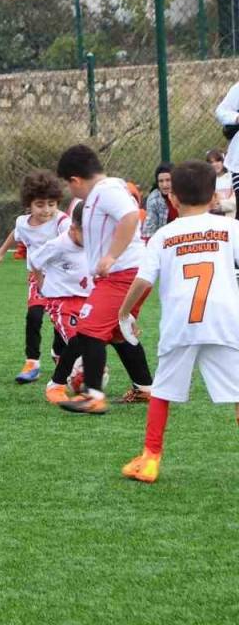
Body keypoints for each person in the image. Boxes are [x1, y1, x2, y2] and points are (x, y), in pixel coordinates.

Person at [118, 160, 239, 483]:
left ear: (172, 198)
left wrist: (125, 312)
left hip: (180, 324)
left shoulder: (163, 235)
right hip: (224, 321)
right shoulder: (231, 228)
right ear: (214, 197)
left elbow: (143, 281)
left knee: (161, 392)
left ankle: (150, 459)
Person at [45, 145, 155, 413]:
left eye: (68, 185)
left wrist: (111, 256)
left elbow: (130, 217)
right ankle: (145, 389)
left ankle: (93, 395)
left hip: (123, 275)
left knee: (89, 329)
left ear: (75, 180)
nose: (70, 190)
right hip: (124, 275)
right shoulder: (104, 192)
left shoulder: (106, 191)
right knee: (117, 333)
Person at [0, 171, 70, 384]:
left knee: (60, 318)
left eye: (52, 204)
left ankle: (58, 352)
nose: (47, 210)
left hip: (62, 277)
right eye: (40, 205)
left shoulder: (62, 222)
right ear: (29, 204)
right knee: (34, 316)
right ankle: (32, 362)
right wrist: (0, 252)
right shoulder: (23, 223)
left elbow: (75, 241)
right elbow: (16, 233)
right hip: (37, 275)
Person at [27, 199, 92, 385]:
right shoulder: (58, 244)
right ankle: (57, 383)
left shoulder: (96, 243)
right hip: (62, 301)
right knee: (76, 343)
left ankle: (59, 353)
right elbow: (34, 260)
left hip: (87, 300)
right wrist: (42, 285)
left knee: (87, 340)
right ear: (73, 229)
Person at [142, 163, 173, 240]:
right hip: (164, 238)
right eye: (161, 181)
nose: (164, 185)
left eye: (168, 180)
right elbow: (150, 227)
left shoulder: (184, 195)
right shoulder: (154, 199)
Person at [206, 149, 236, 218]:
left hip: (231, 217)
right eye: (211, 162)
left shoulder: (232, 177)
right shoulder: (207, 181)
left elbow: (235, 200)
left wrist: (221, 205)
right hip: (213, 219)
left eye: (217, 160)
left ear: (223, 161)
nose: (214, 164)